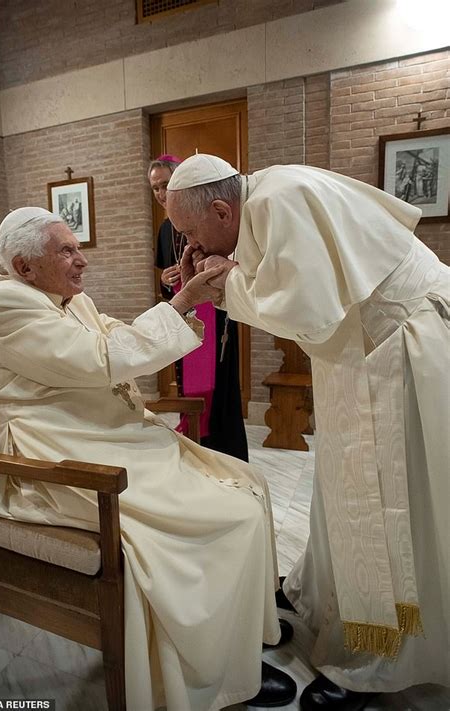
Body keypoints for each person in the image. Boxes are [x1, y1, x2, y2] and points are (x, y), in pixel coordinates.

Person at [0, 207, 297, 711]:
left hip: (102, 435)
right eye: (66, 250)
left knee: (247, 481)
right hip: (59, 454)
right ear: (23, 266)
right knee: (222, 516)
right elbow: (101, 359)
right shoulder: (5, 304)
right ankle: (206, 676)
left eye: (76, 246)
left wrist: (179, 299)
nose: (82, 261)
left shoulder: (63, 296)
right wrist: (187, 298)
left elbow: (114, 334)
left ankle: (237, 637)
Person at [166, 154, 450, 711]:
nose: (188, 244)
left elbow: (308, 310)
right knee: (346, 493)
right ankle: (333, 603)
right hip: (365, 353)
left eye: (190, 230)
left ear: (222, 209)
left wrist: (222, 289)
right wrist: (223, 270)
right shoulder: (264, 200)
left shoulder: (279, 201)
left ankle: (380, 656)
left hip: (395, 353)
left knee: (388, 503)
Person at [149, 155, 248, 461]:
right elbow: (163, 272)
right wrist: (167, 281)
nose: (161, 193)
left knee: (220, 389)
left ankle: (223, 450)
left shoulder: (206, 214)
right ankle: (195, 437)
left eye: (166, 184)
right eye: (155, 188)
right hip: (184, 310)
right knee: (186, 382)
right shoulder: (167, 229)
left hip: (215, 312)